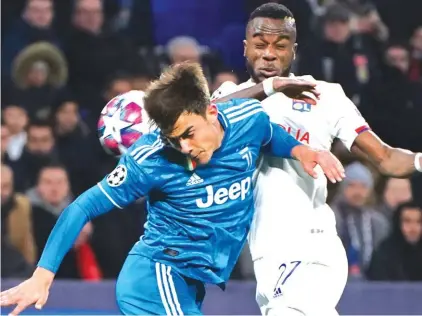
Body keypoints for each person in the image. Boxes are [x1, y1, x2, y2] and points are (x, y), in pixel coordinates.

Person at [0, 62, 344, 316]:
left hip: (190, 283)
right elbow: (81, 207)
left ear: (211, 112)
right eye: (173, 138)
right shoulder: (150, 160)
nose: (183, 147)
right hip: (158, 274)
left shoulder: (246, 120)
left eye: (188, 133)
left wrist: (302, 150)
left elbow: (269, 135)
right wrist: (42, 276)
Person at [211, 3, 422, 315]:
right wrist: (271, 88)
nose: (269, 54)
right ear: (245, 49)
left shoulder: (326, 95)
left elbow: (386, 158)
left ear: (293, 51)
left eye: (280, 46)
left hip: (312, 242)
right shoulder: (233, 97)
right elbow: (202, 119)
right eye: (260, 44)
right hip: (265, 250)